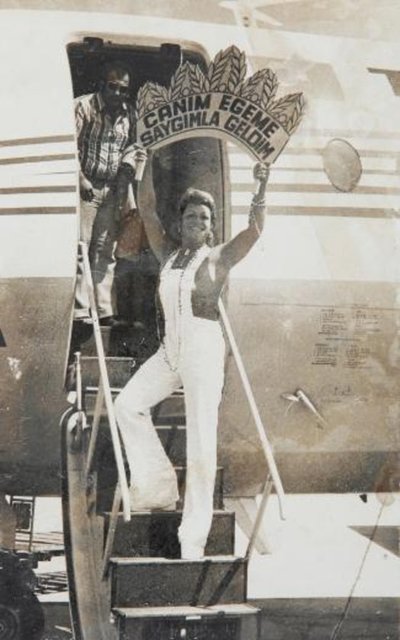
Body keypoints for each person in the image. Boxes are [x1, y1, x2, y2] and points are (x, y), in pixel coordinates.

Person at [114, 156, 269, 560]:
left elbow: (254, 231)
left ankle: (193, 538)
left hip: (203, 350)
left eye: (204, 217)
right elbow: (148, 208)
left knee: (201, 445)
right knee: (126, 406)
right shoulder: (168, 253)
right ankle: (158, 485)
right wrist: (147, 157)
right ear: (180, 223)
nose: (197, 222)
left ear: (211, 226)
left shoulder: (218, 258)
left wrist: (260, 187)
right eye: (191, 216)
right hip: (170, 350)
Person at [74, 60, 143, 325]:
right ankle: (81, 310)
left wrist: (125, 173)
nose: (117, 93)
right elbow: (70, 146)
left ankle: (103, 311)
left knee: (105, 250)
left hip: (112, 187)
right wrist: (81, 179)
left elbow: (132, 147)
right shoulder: (84, 107)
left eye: (123, 89)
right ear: (102, 85)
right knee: (82, 245)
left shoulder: (129, 113)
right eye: (113, 87)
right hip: (86, 186)